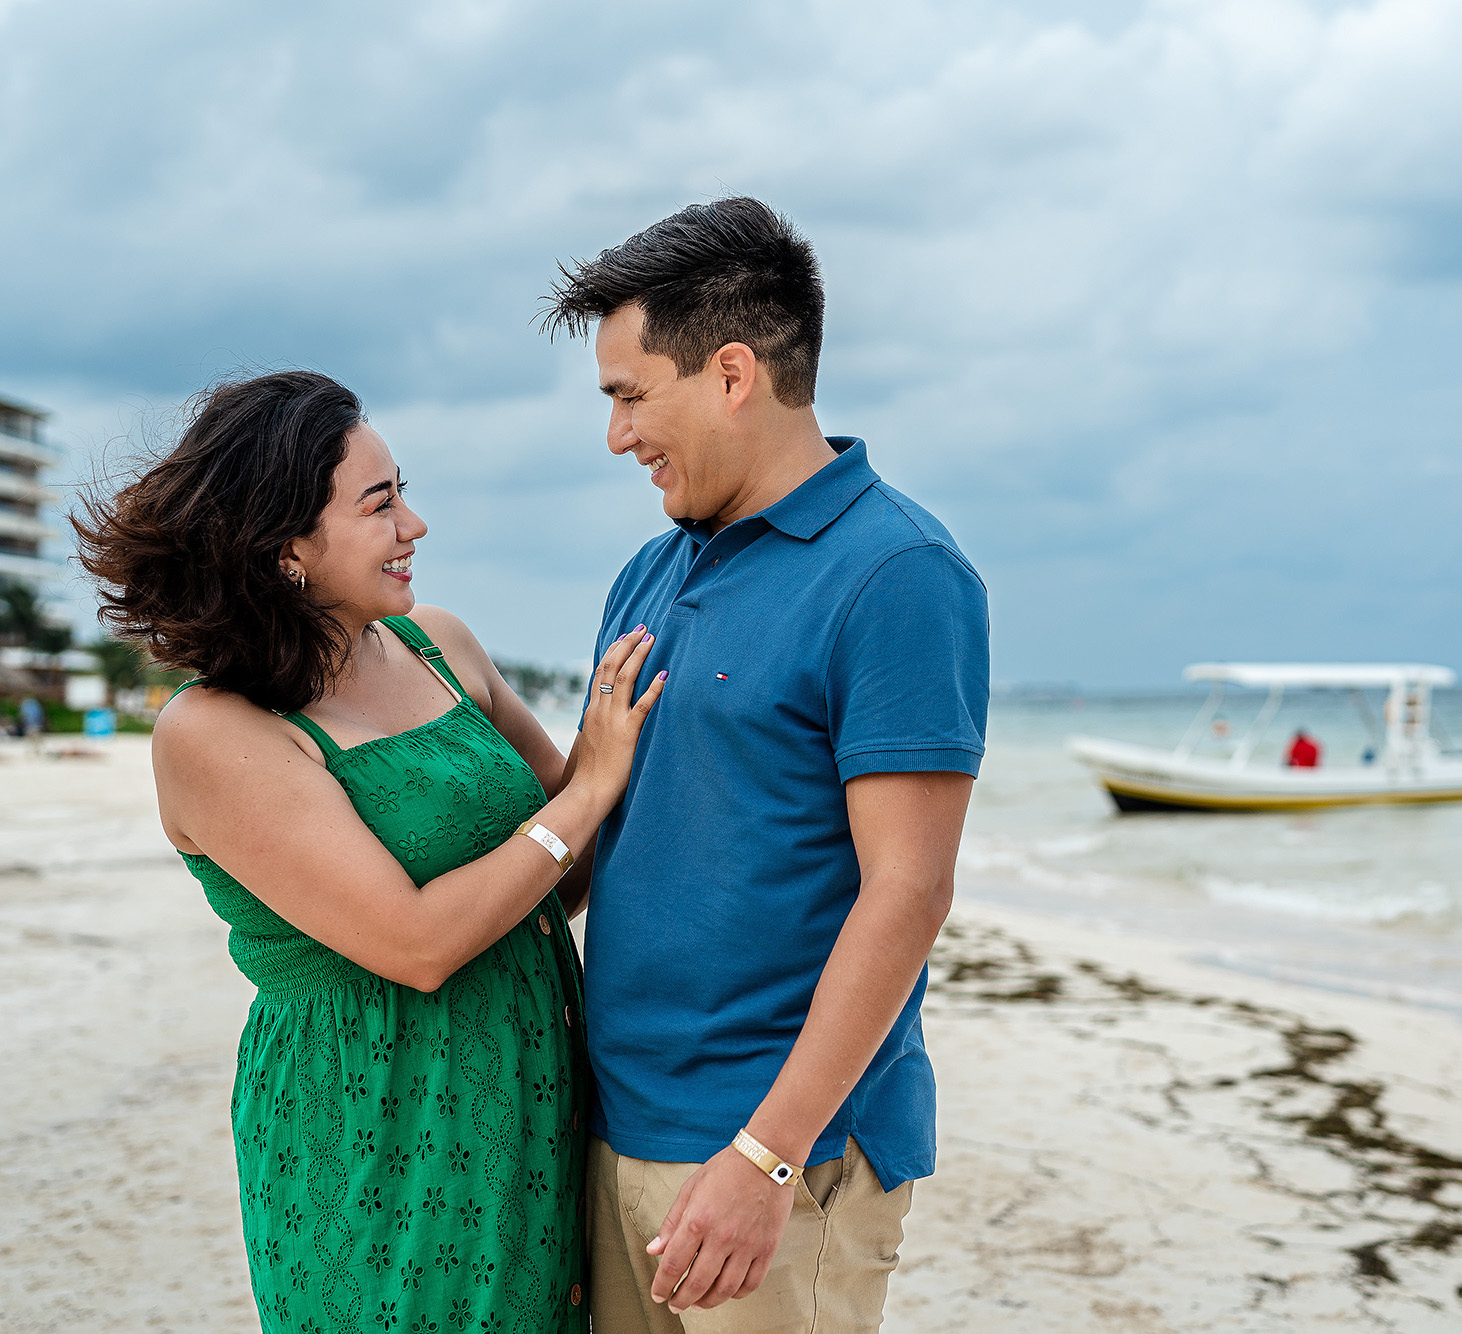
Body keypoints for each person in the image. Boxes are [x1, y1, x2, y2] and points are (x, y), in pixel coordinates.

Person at [72, 371, 666, 1333]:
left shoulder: (442, 646)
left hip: (533, 1087)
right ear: (287, 547)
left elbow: (573, 867)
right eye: (381, 503)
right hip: (373, 1112)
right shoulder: (213, 731)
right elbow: (418, 944)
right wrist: (593, 785)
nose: (415, 526)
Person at [541, 198, 989, 1332]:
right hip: (619, 1131)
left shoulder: (898, 572)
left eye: (629, 395)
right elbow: (613, 843)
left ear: (731, 373)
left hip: (778, 1159)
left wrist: (764, 1158)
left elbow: (909, 887)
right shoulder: (648, 568)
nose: (616, 435)